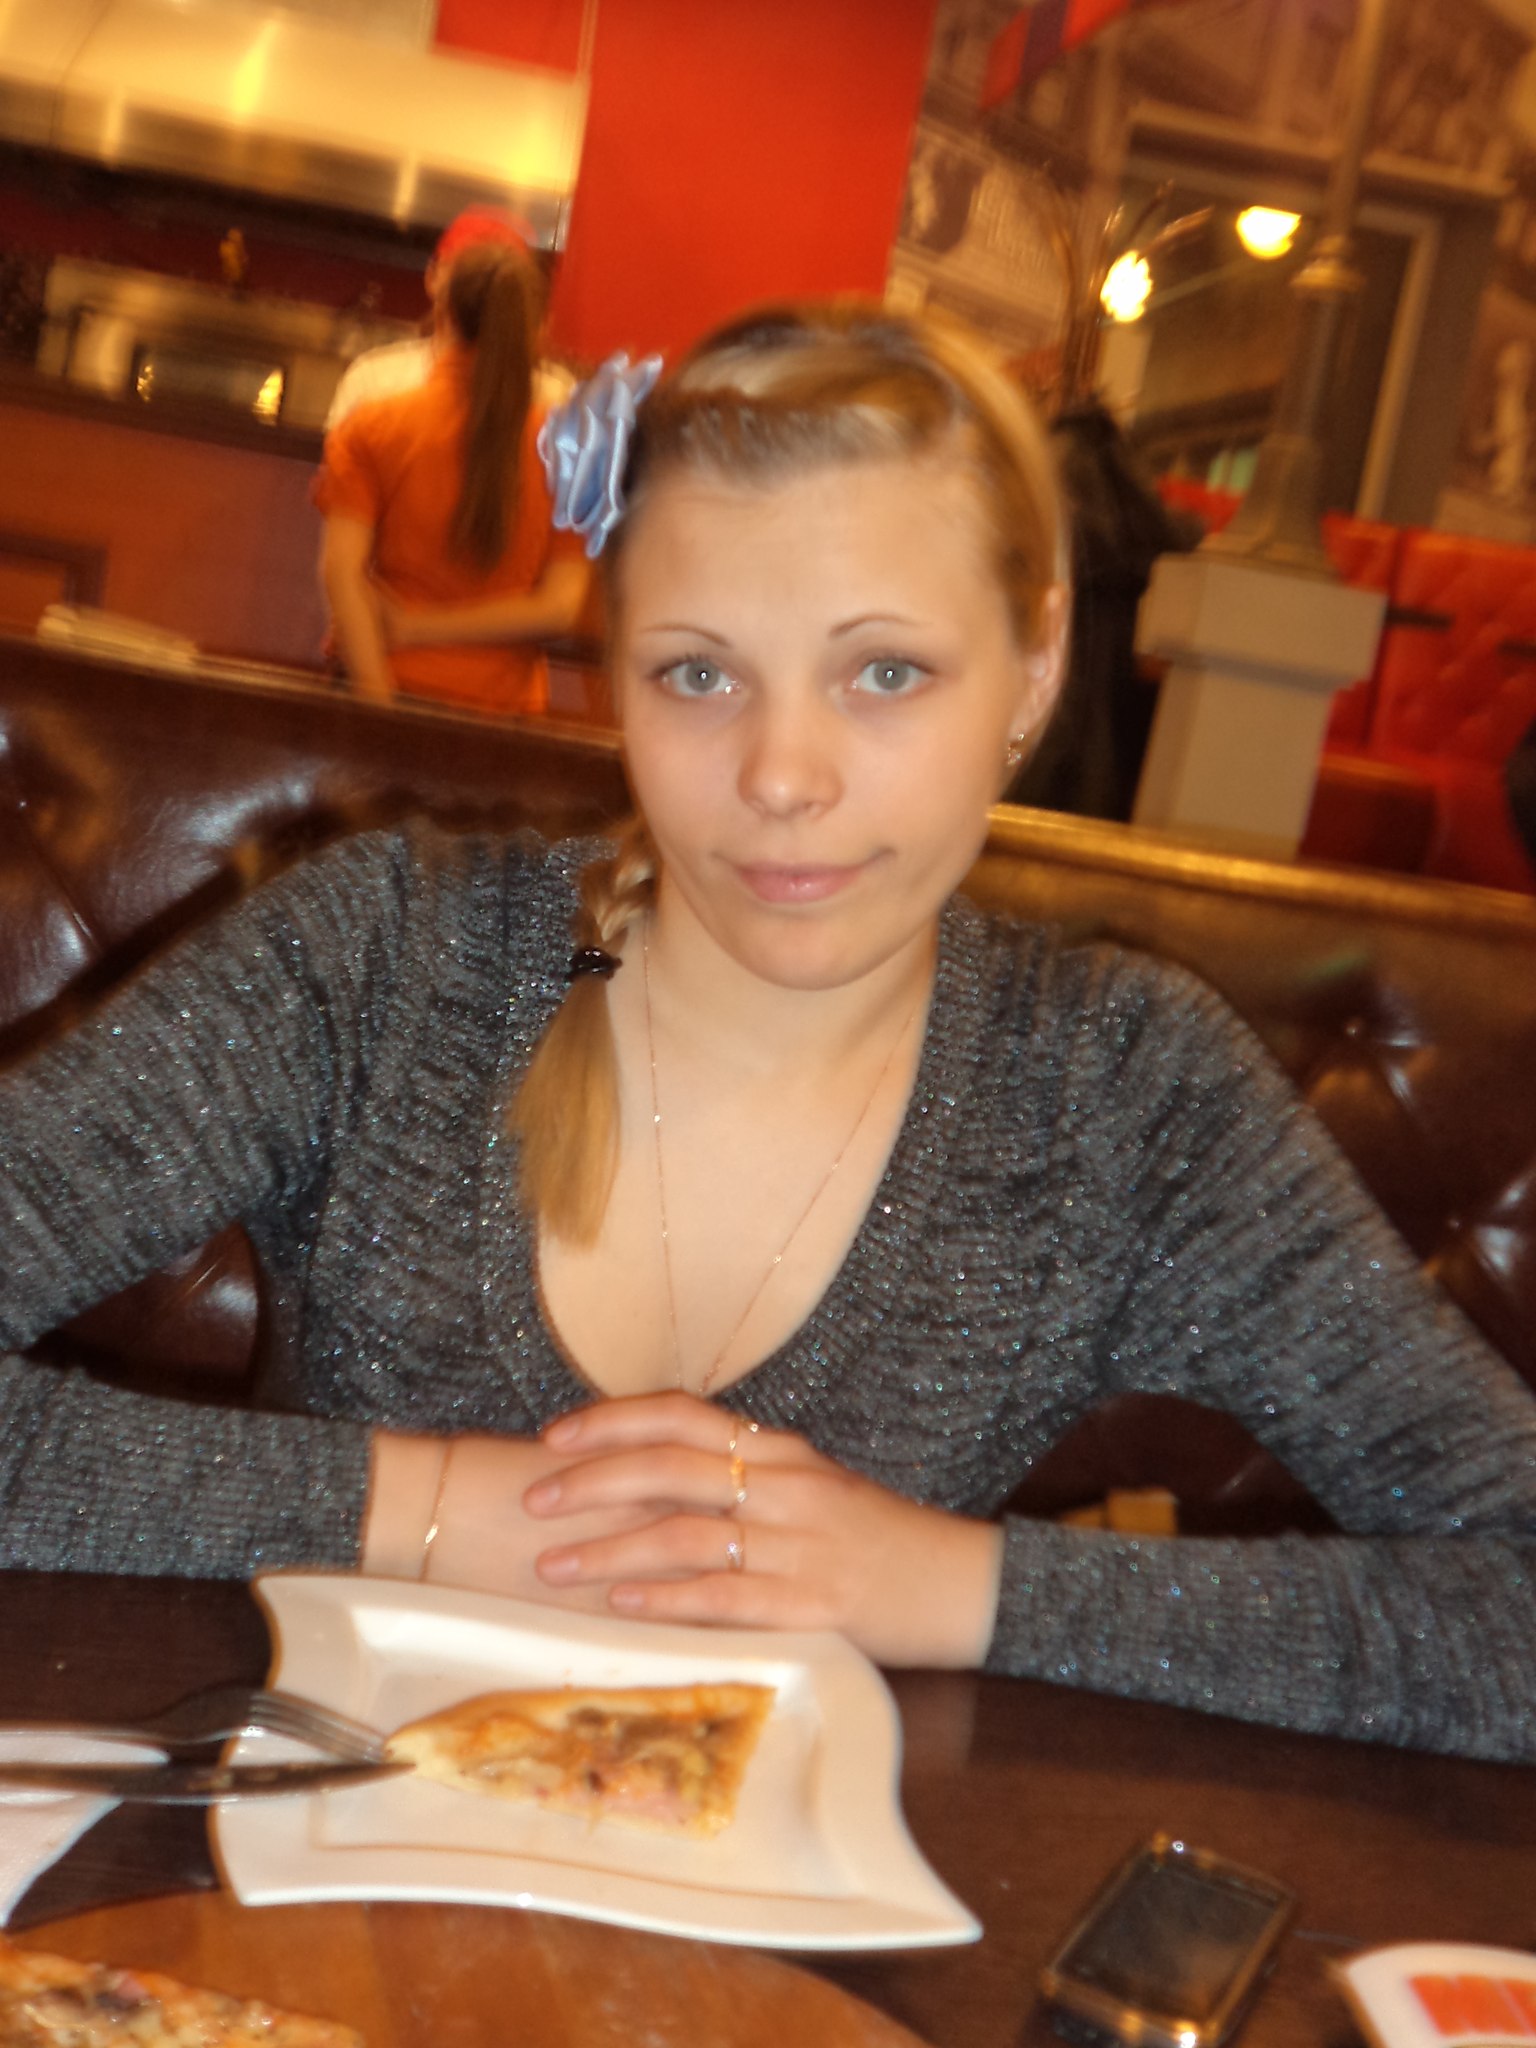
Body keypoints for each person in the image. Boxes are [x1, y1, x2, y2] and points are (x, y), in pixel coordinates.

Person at [3, 299, 1535, 1763]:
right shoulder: (386, 960)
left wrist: (942, 1584)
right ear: (616, 667)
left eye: (886, 673)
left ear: (1038, 664)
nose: (783, 775)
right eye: (699, 674)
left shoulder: (1121, 1093)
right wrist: (431, 1507)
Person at [316, 236, 590, 716]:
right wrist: (419, 626)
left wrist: (377, 701)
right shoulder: (572, 451)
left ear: (443, 313)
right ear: (537, 329)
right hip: (501, 711)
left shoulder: (373, 426)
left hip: (386, 683)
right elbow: (560, 607)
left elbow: (340, 572)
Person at [325, 208, 573, 431]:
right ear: (431, 277)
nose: (477, 290)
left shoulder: (555, 396)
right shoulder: (374, 379)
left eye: (495, 282)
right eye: (463, 273)